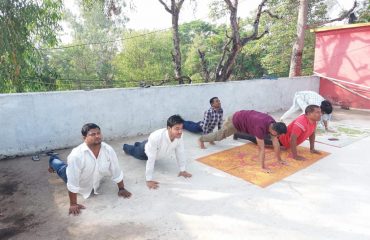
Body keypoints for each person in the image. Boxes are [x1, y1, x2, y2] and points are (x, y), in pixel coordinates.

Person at [48, 123, 132, 216]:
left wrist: (121, 188)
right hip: (77, 180)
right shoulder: (76, 155)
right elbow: (72, 181)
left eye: (98, 133)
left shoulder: (108, 149)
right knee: (60, 168)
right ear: (84, 138)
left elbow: (116, 169)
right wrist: (73, 204)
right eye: (93, 134)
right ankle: (52, 159)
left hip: (89, 177)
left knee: (71, 167)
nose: (97, 136)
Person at [198, 110, 287, 173]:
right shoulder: (259, 128)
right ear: (274, 131)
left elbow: (276, 143)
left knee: (270, 139)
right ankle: (201, 139)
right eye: (278, 135)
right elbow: (261, 149)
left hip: (244, 119)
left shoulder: (273, 124)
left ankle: (210, 139)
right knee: (220, 136)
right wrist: (263, 167)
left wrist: (279, 159)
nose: (278, 137)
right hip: (235, 121)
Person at [123, 115, 192, 190]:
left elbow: (180, 152)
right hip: (144, 152)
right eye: (177, 129)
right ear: (169, 128)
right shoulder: (156, 137)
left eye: (181, 128)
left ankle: (138, 144)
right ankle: (125, 147)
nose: (180, 132)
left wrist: (183, 170)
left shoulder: (179, 136)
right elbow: (151, 159)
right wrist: (148, 180)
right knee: (134, 151)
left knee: (144, 144)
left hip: (153, 146)